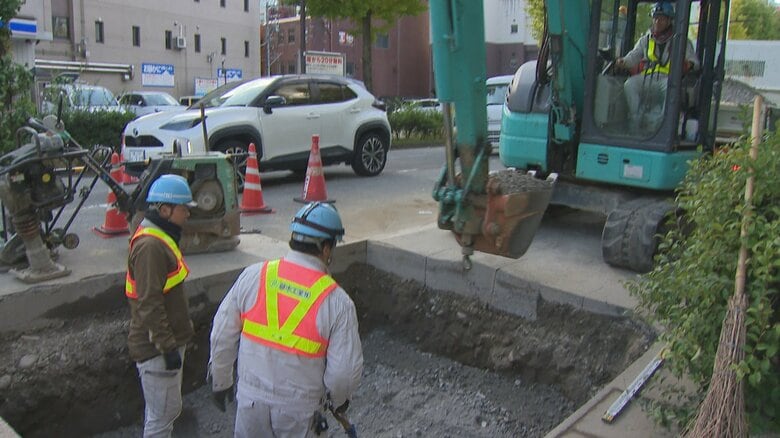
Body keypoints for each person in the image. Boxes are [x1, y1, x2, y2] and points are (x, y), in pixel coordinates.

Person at [208, 201, 363, 437]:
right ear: (326, 248)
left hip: (251, 403)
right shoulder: (337, 302)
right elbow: (343, 374)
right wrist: (338, 401)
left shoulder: (254, 275)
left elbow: (222, 333)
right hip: (299, 412)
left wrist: (221, 380)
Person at [125, 174, 198, 438]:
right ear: (165, 210)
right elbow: (149, 304)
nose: (187, 214)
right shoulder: (150, 247)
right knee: (161, 417)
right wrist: (167, 347)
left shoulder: (160, 238)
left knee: (166, 411)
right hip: (155, 348)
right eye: (183, 208)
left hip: (164, 341)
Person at [615, 1, 700, 131]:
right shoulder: (645, 40)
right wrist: (623, 61)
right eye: (655, 18)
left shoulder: (681, 41)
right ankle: (635, 120)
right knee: (630, 84)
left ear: (669, 20)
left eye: (661, 18)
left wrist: (689, 64)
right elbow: (633, 56)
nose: (657, 22)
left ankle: (659, 125)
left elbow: (695, 63)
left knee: (671, 87)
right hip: (647, 79)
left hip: (667, 79)